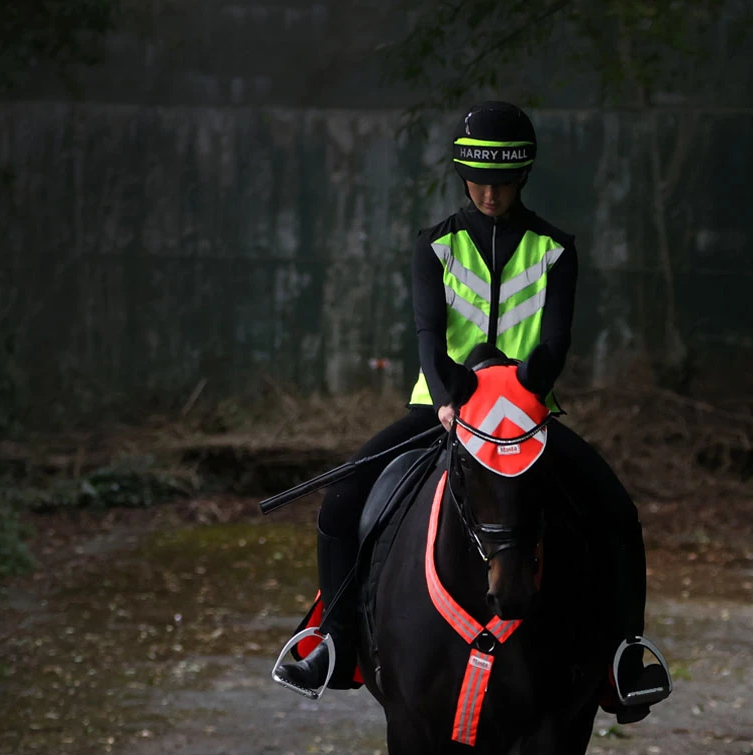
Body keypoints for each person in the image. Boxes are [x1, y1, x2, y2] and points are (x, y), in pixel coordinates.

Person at [276, 100, 671, 722]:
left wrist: (522, 397)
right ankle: (336, 639)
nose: (490, 194)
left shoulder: (556, 250)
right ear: (463, 177)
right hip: (445, 408)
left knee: (616, 510)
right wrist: (448, 399)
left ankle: (626, 656)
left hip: (524, 416)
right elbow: (429, 335)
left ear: (523, 178)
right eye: (479, 182)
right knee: (342, 500)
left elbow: (556, 342)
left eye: (503, 182)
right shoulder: (434, 246)